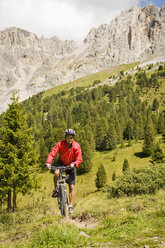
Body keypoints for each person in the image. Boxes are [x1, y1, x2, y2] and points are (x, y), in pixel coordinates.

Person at [45, 129, 82, 214]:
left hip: (71, 165)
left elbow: (79, 159)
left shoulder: (76, 146)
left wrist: (74, 164)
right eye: (68, 137)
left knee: (71, 186)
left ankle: (71, 205)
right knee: (56, 173)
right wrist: (48, 162)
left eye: (71, 138)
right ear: (65, 137)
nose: (70, 139)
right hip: (61, 163)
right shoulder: (60, 144)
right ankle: (56, 189)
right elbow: (52, 153)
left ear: (73, 138)